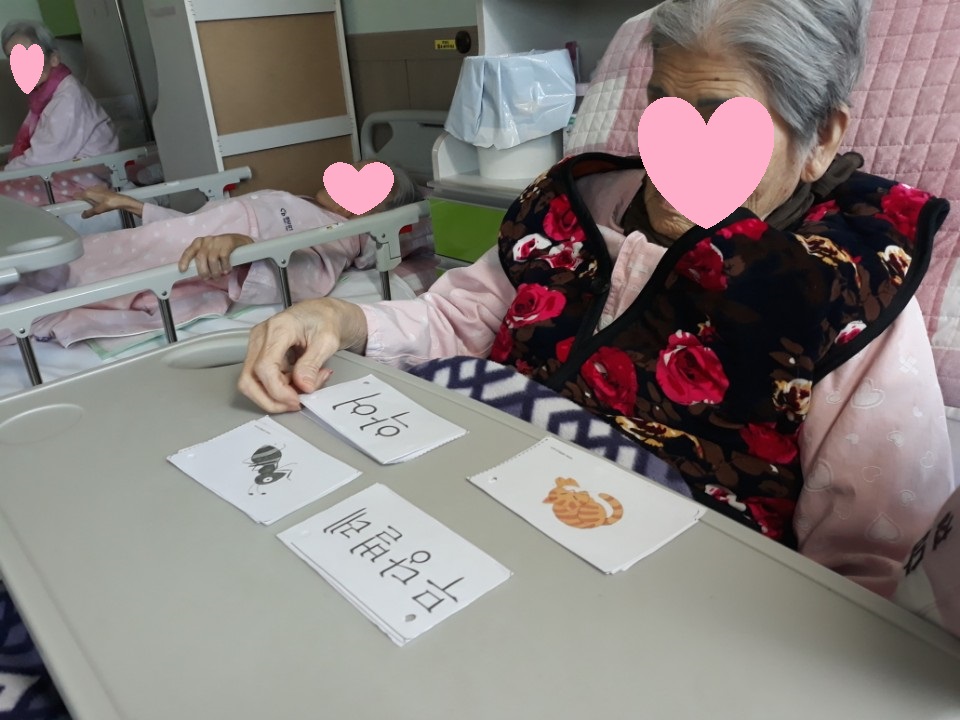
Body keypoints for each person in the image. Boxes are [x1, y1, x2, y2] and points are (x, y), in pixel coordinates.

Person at [238, 0, 955, 600]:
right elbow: (454, 321)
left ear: (821, 138)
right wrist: (338, 316)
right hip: (465, 516)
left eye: (722, 122)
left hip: (660, 596)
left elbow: (867, 571)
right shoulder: (577, 209)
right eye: (663, 109)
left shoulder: (850, 292)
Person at [0, 161, 431, 346]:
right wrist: (133, 206)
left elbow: (300, 277)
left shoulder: (338, 238)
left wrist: (246, 251)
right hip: (159, 242)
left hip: (172, 264)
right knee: (66, 258)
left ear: (374, 212)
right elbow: (197, 223)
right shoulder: (298, 203)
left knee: (61, 282)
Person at [2, 20, 118, 171]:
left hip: (90, 174)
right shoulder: (41, 97)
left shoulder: (68, 97)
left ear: (54, 58)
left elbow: (45, 156)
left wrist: (7, 172)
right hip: (63, 169)